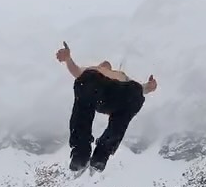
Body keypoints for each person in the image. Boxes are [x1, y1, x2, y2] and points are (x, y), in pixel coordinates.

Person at [55, 42, 158, 173]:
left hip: (117, 96)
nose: (106, 64)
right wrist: (68, 59)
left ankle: (102, 154)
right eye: (102, 65)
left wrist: (149, 86)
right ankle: (80, 152)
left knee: (136, 89)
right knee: (86, 79)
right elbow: (76, 72)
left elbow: (139, 91)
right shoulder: (91, 71)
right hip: (97, 90)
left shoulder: (122, 76)